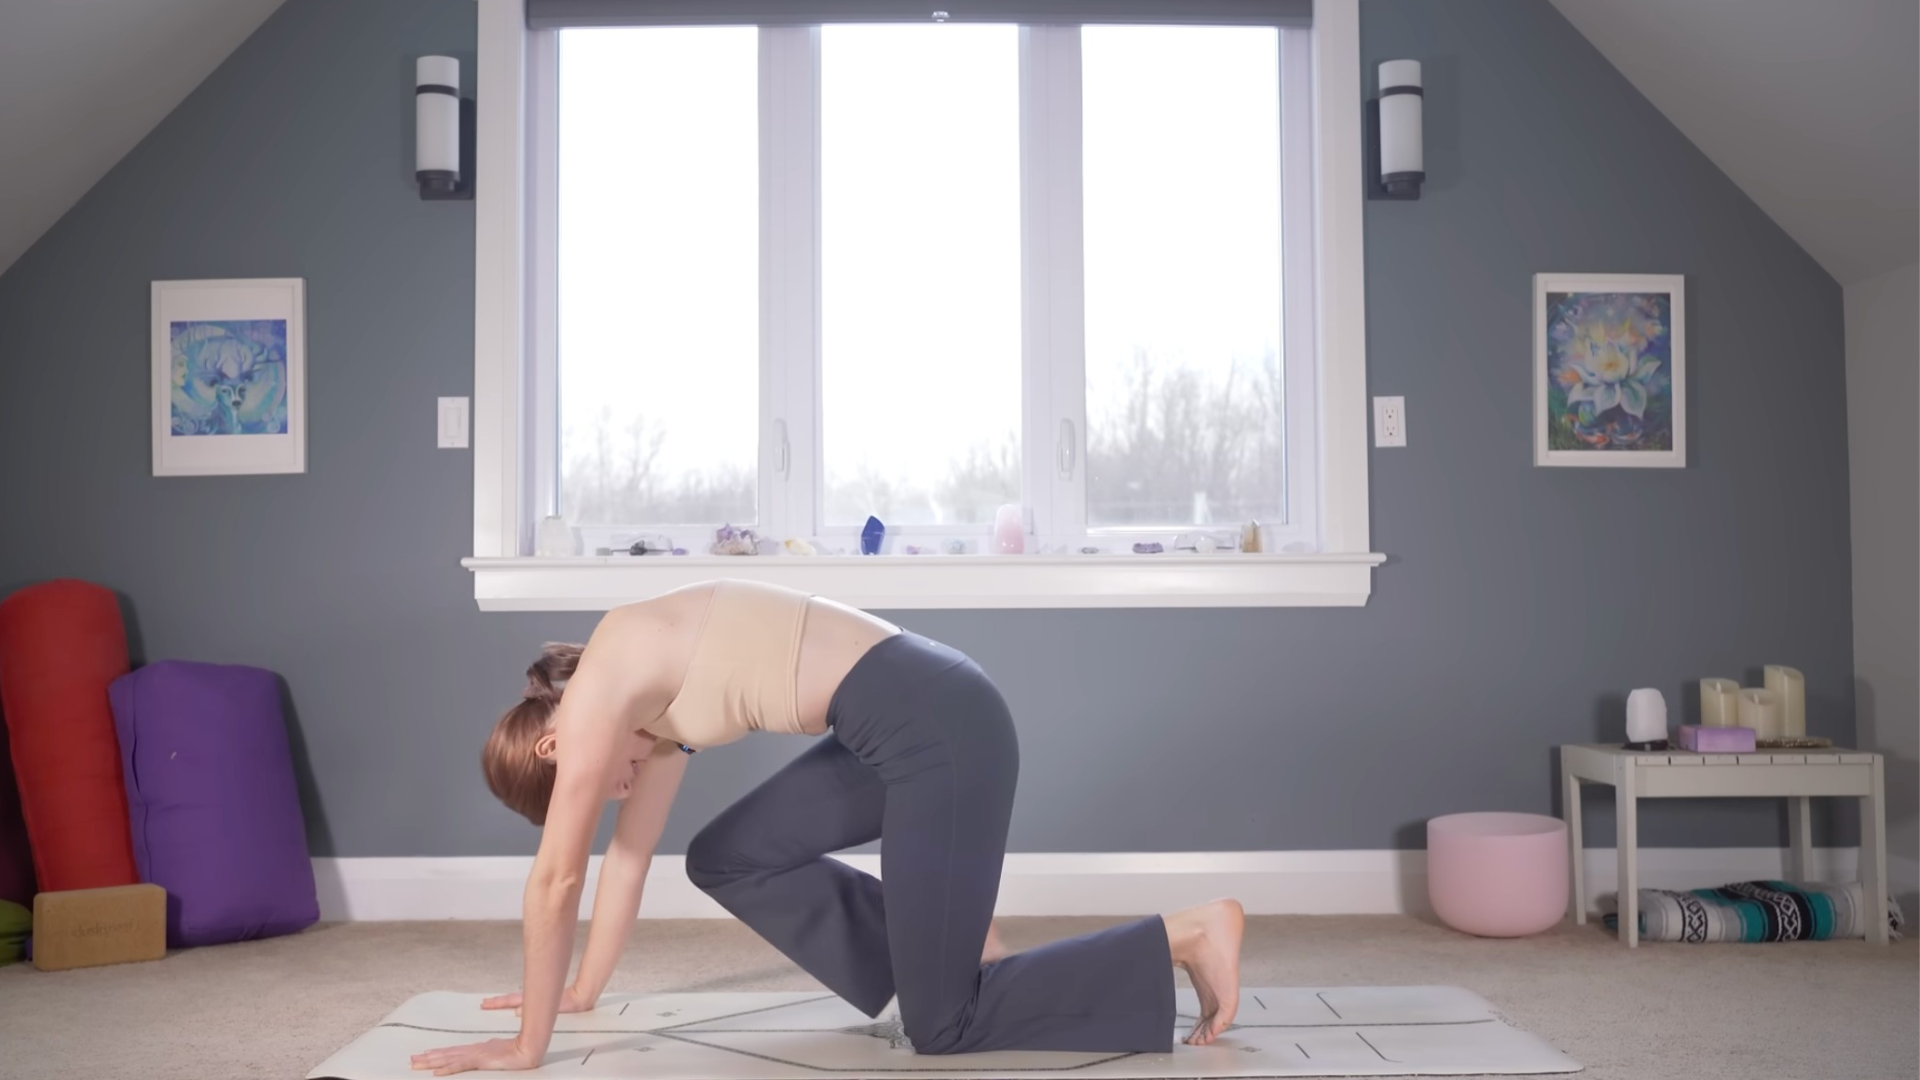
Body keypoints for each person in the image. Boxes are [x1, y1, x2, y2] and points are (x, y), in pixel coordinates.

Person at [411, 579, 1243, 1077]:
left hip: (938, 727)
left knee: (943, 1026)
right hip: (903, 726)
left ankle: (1185, 934)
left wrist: (528, 1046)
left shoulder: (606, 676)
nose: (614, 793)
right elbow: (626, 865)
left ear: (555, 743)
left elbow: (559, 876)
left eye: (591, 788)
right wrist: (577, 992)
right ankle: (946, 948)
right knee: (724, 859)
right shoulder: (648, 716)